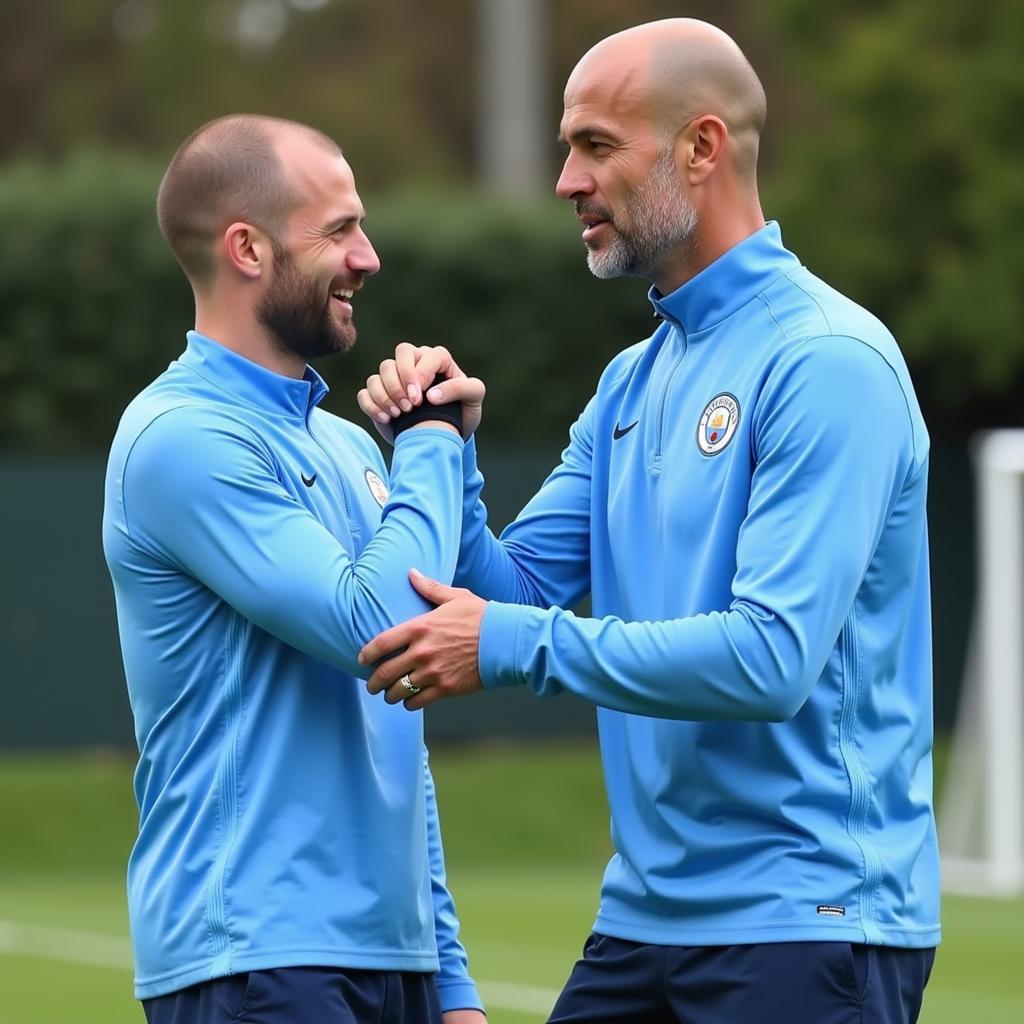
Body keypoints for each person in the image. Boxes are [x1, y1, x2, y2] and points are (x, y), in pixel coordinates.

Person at [356, 18, 939, 1024]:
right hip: (645, 922)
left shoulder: (828, 361)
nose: (564, 182)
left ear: (701, 148)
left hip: (807, 920)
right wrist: (440, 446)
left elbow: (770, 658)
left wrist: (508, 644)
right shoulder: (633, 380)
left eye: (594, 145)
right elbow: (510, 592)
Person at [101, 114, 487, 1024]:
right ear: (247, 248)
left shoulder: (347, 444)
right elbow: (379, 630)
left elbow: (400, 730)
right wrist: (431, 442)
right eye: (340, 230)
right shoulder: (180, 438)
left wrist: (451, 975)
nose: (369, 257)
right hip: (256, 956)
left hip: (390, 959)